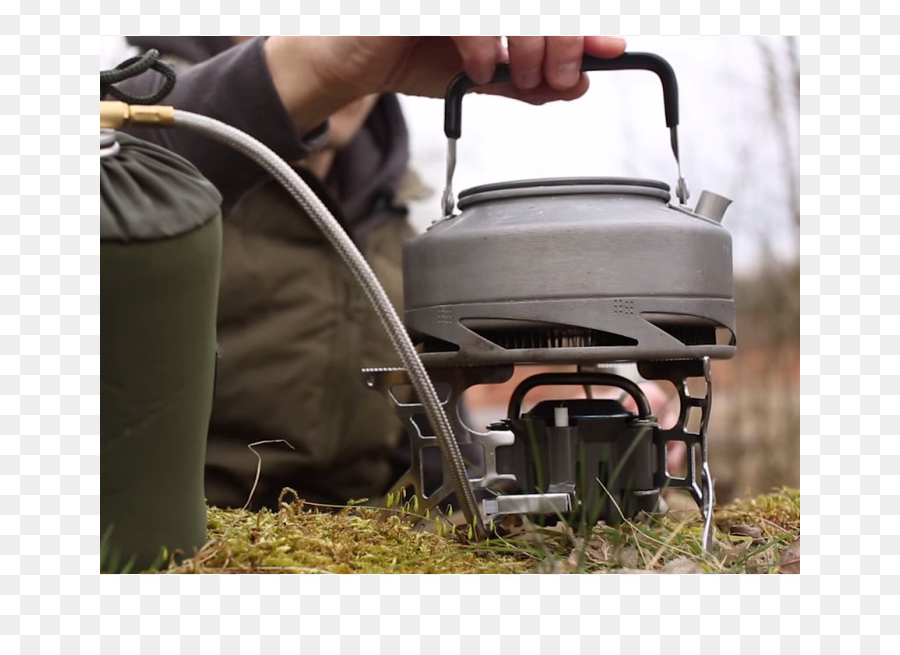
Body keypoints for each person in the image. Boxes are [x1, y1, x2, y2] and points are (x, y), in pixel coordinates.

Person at [113, 36, 631, 510]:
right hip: (183, 535)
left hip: (356, 540)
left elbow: (436, 428)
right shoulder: (137, 142)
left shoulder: (396, 227)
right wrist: (306, 71)